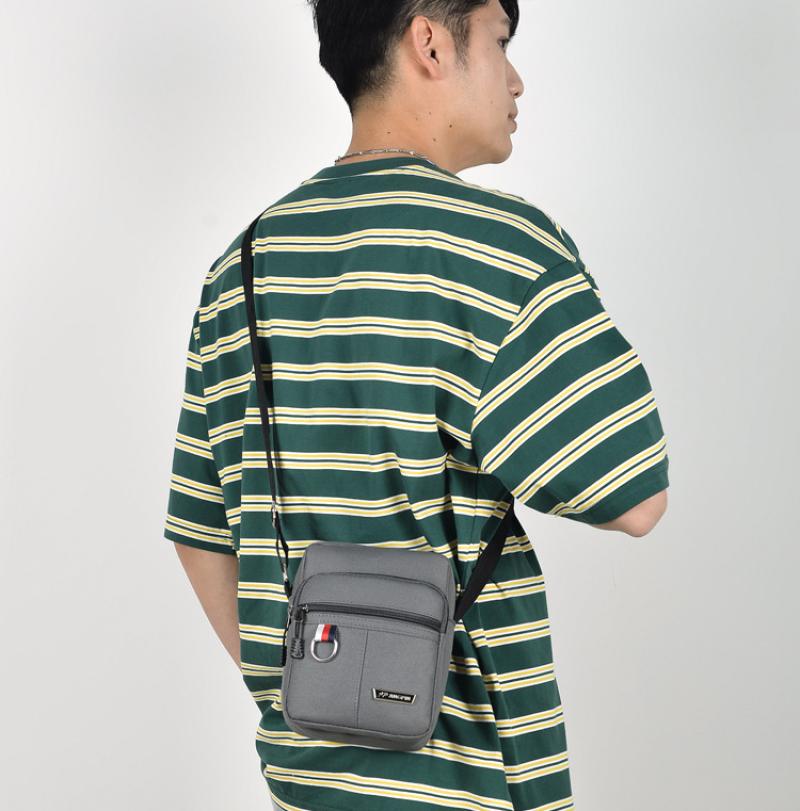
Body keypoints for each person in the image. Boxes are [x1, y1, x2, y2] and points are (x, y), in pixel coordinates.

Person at [163, 1, 670, 808]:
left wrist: (318, 687)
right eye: (500, 42)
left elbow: (201, 535)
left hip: (306, 777)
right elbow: (634, 494)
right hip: (474, 777)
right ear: (430, 41)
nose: (516, 79)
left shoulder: (242, 267)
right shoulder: (504, 249)